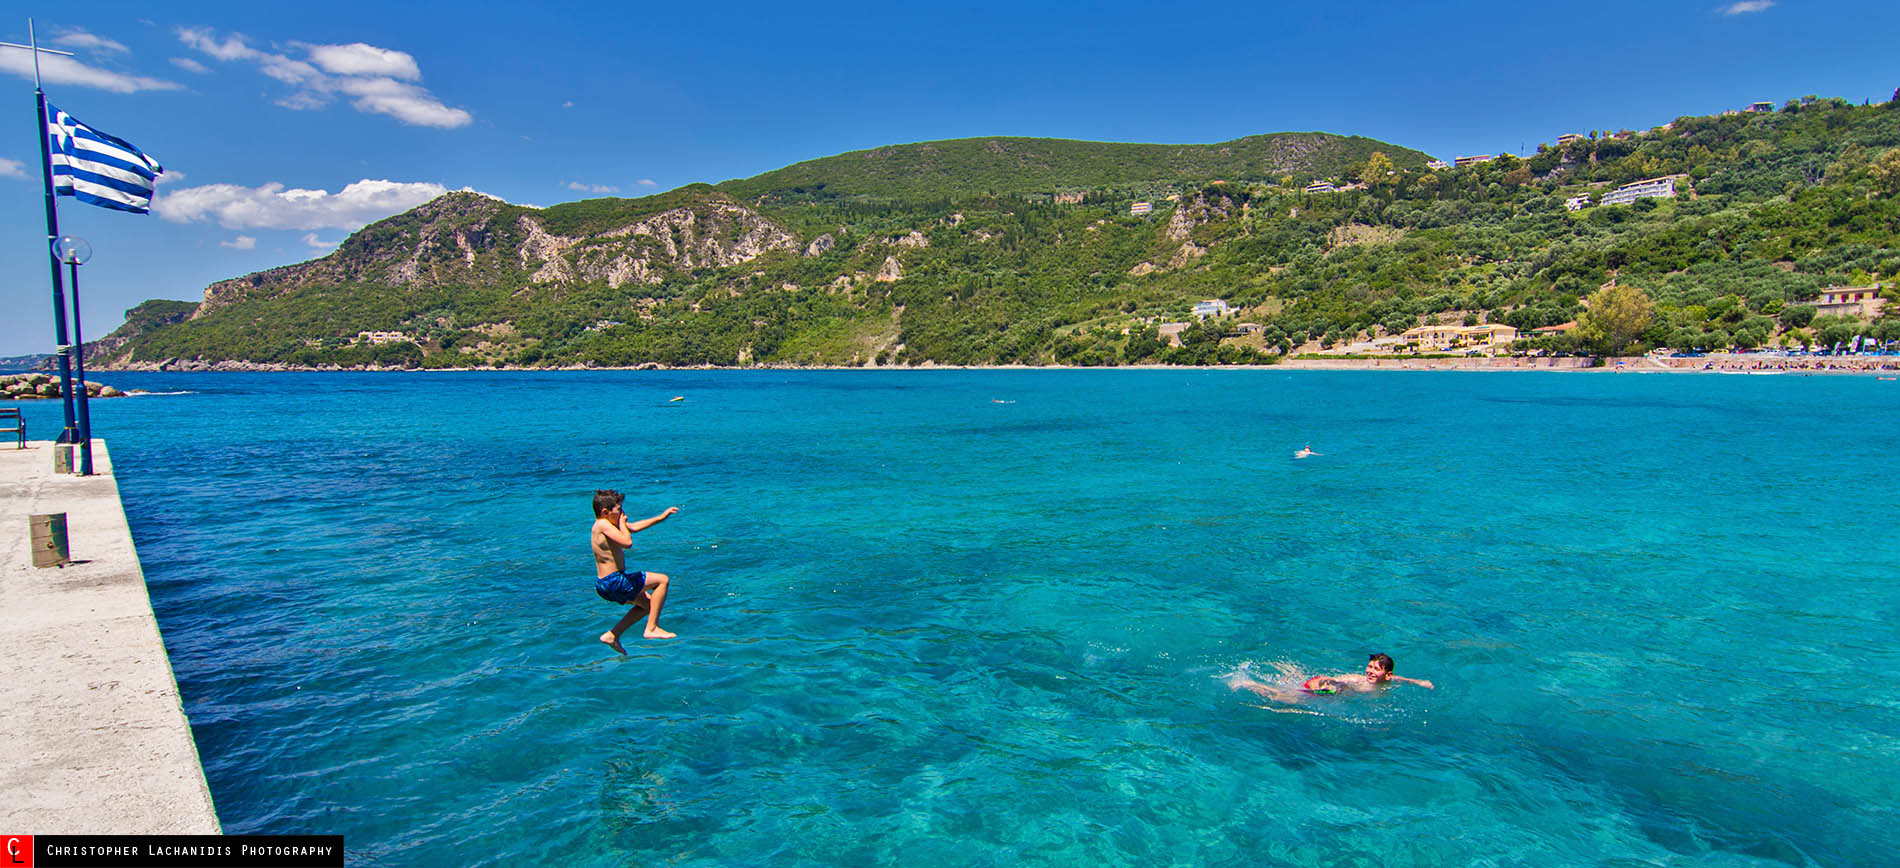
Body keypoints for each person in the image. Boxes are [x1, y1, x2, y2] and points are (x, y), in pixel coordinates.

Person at [591, 489, 679, 652]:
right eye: (619, 510)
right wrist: (623, 525)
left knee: (647, 605)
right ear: (605, 512)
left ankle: (612, 635)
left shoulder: (607, 524)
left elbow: (633, 527)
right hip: (615, 581)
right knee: (662, 580)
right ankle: (652, 628)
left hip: (605, 584)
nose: (623, 514)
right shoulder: (602, 525)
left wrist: (661, 517)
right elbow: (627, 542)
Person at [1225, 653, 1433, 706]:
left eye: (1375, 669)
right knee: (1286, 698)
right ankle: (1244, 682)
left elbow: (1399, 678)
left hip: (1326, 686)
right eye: (1369, 667)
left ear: (1386, 675)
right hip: (1326, 687)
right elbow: (1337, 682)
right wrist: (1334, 688)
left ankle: (1291, 673)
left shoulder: (1388, 680)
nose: (1370, 672)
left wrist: (1419, 682)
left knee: (1291, 688)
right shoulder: (1360, 681)